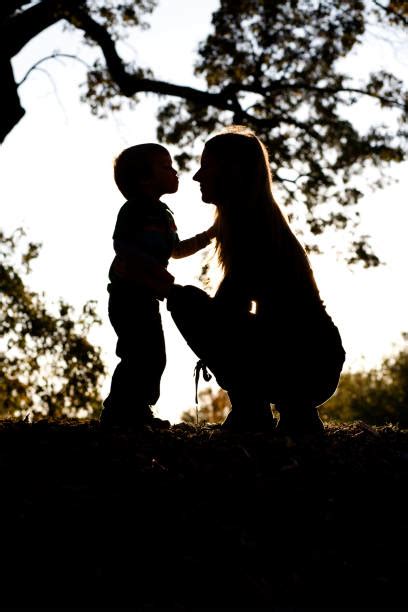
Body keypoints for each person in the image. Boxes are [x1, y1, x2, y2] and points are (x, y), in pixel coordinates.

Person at [152, 126, 346, 435]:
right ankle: (288, 413)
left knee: (187, 302)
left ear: (230, 173)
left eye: (207, 167)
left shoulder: (252, 231)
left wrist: (162, 287)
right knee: (198, 306)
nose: (197, 177)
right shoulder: (255, 223)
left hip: (305, 365)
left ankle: (253, 410)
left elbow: (226, 312)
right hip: (318, 360)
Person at [101, 143, 216, 429]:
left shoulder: (164, 215)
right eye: (166, 166)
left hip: (148, 296)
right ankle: (119, 411)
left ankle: (137, 408)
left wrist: (210, 236)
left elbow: (175, 250)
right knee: (137, 352)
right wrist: (156, 274)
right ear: (145, 178)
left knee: (153, 355)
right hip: (128, 294)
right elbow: (123, 246)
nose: (175, 171)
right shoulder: (134, 211)